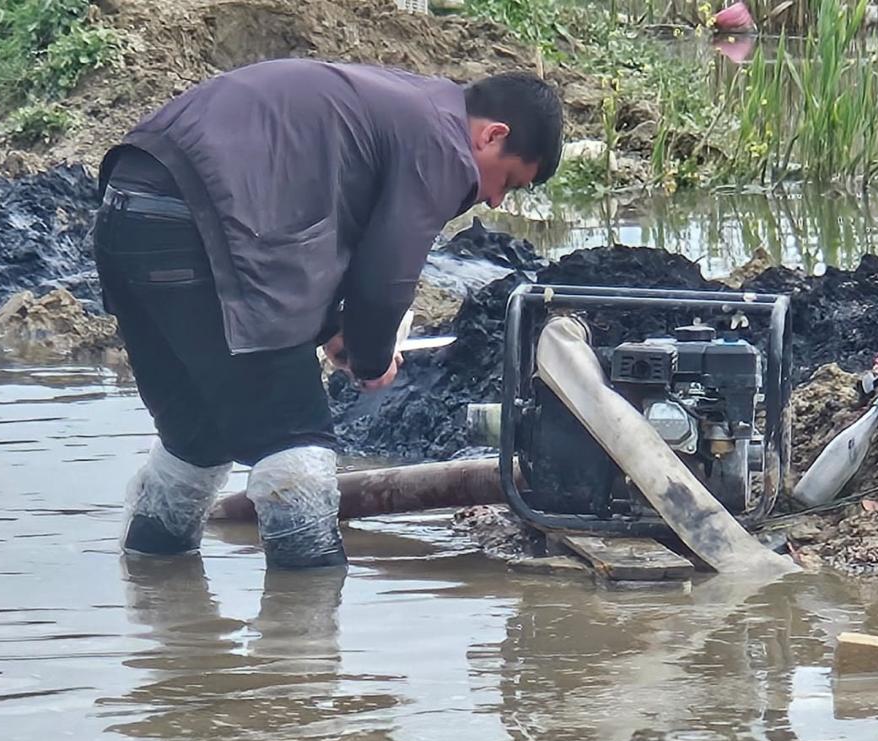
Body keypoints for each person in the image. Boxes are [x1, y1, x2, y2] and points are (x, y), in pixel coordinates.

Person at [94, 60, 564, 568]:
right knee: (295, 439)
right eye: (507, 181)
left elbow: (295, 220)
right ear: (492, 135)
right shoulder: (442, 142)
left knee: (195, 438)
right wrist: (370, 355)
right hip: (197, 224)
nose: (492, 200)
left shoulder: (402, 105)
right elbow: (386, 273)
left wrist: (330, 330)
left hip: (127, 210)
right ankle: (304, 610)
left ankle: (155, 595)